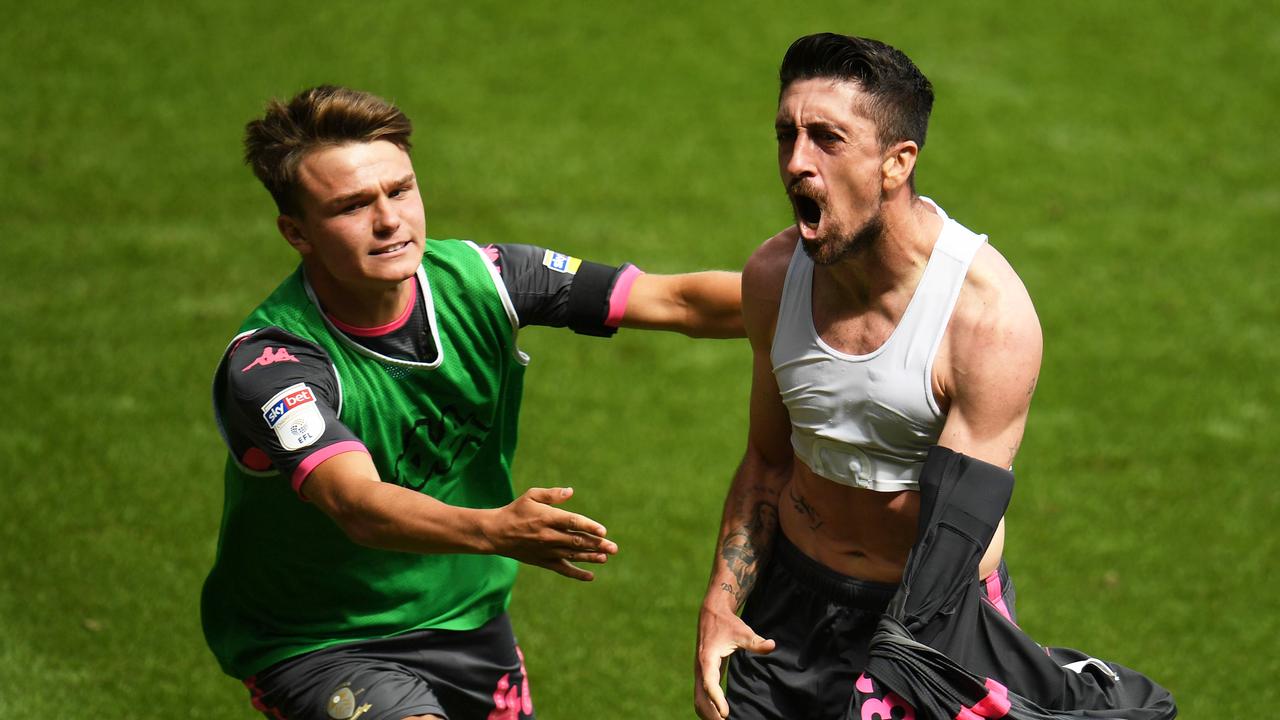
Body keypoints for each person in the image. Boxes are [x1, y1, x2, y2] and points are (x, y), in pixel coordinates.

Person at [201, 85, 742, 720]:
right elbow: (358, 505)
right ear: (297, 232)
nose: (388, 221)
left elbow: (678, 301)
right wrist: (496, 529)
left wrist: (851, 293)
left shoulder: (483, 281)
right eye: (351, 207)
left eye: (399, 190)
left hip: (467, 617)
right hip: (320, 639)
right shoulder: (273, 365)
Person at [694, 34, 1043, 720]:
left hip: (933, 619)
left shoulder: (984, 317)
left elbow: (953, 537)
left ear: (896, 163)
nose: (796, 163)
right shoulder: (773, 277)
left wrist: (891, 674)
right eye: (786, 135)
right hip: (788, 612)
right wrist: (720, 602)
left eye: (827, 138)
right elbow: (767, 459)